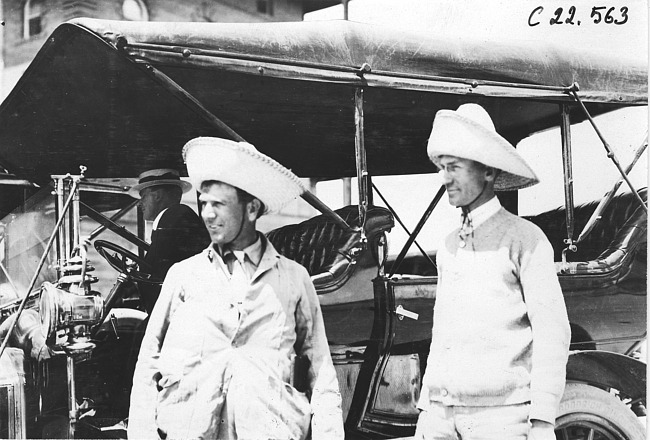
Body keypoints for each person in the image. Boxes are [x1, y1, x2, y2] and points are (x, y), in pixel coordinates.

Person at [128, 137, 344, 439]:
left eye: (221, 204)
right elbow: (149, 361)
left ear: (252, 208)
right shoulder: (183, 276)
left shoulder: (294, 279)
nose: (208, 215)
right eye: (204, 204)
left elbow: (321, 371)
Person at [415, 104, 571, 440]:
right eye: (443, 167)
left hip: (501, 420)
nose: (445, 178)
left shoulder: (526, 239)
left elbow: (552, 333)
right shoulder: (448, 246)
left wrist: (543, 420)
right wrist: (428, 411)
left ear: (487, 171)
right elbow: (442, 333)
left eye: (454, 167)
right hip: (440, 416)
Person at [128, 168, 210, 313]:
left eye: (143, 196)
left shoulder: (176, 218)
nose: (140, 204)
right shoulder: (172, 219)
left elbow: (161, 274)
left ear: (157, 196)